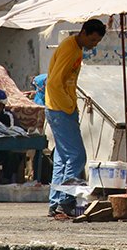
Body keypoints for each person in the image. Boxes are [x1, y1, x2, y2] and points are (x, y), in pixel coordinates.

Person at [46, 19, 105, 218]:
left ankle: (55, 204)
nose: (93, 44)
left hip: (59, 109)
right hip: (61, 110)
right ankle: (66, 201)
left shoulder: (76, 48)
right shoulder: (70, 49)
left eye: (97, 42)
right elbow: (53, 83)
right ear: (84, 32)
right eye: (93, 39)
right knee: (78, 156)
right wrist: (69, 106)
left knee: (62, 158)